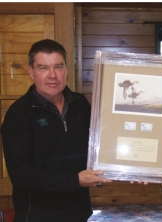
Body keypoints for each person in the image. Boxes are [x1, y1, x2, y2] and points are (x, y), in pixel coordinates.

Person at [1, 39, 112, 222]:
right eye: (43, 68)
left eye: (58, 67)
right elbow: (21, 174)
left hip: (79, 214)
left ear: (66, 71)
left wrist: (132, 167)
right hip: (38, 217)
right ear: (31, 72)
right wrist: (75, 180)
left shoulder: (80, 104)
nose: (52, 75)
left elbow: (99, 145)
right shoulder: (19, 114)